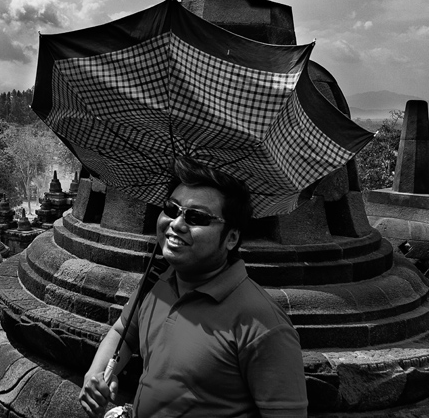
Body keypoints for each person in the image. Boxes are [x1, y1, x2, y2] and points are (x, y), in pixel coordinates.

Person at [79, 158, 308, 418]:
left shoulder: (261, 324)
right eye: (171, 209)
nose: (176, 224)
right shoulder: (158, 280)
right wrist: (96, 374)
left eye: (196, 217)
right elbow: (123, 332)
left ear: (231, 237)